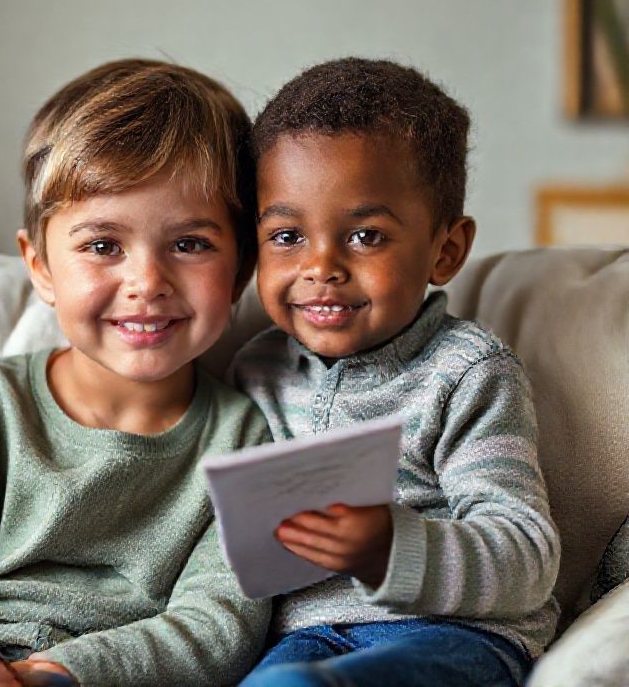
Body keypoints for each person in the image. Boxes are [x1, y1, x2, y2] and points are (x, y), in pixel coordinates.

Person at [0, 59, 271, 687]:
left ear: (241, 270)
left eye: (190, 244)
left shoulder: (246, 439)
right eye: (103, 246)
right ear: (42, 267)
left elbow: (220, 626)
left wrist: (58, 673)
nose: (147, 283)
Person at [230, 57, 561, 687]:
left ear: (445, 250)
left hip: (455, 635)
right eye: (287, 236)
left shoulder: (468, 372)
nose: (321, 266)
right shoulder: (255, 371)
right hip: (302, 636)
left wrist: (390, 548)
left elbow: (528, 556)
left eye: (366, 236)